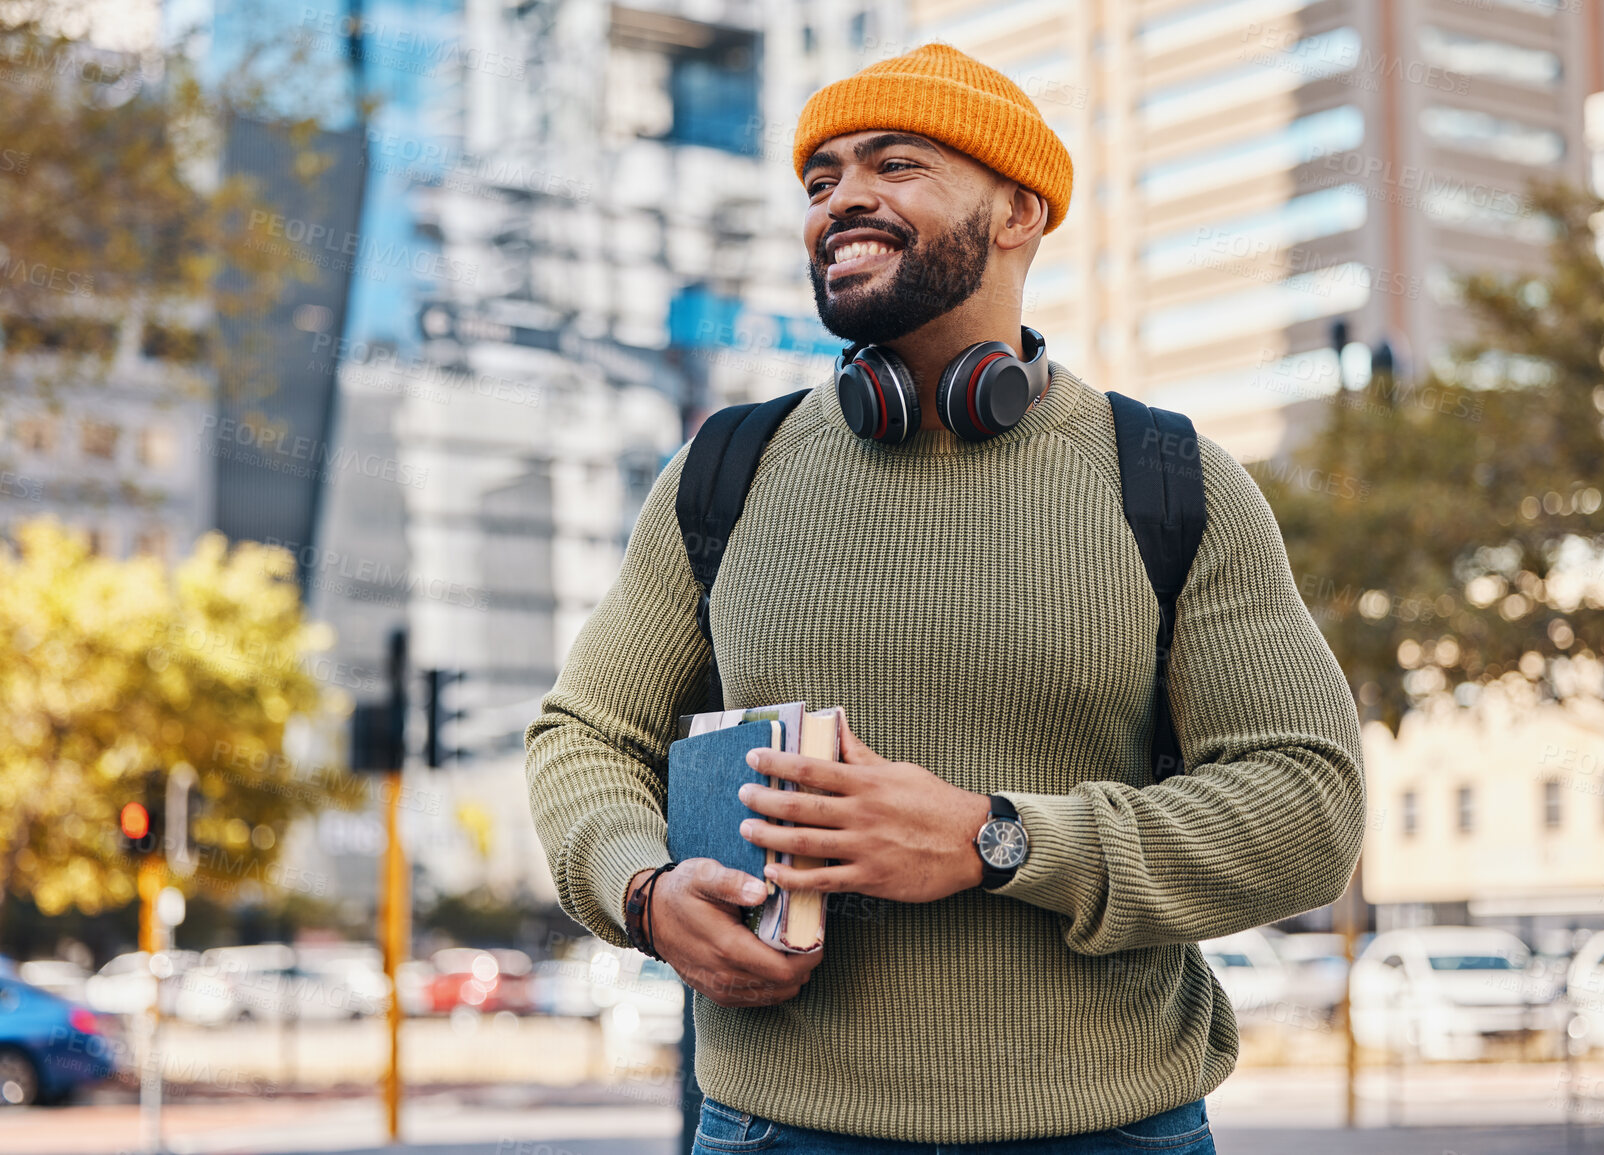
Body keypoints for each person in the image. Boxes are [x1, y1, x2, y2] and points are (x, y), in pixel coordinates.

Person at [525, 42, 1365, 1153]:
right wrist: (639, 889)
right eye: (821, 179)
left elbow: (1308, 804)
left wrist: (997, 840)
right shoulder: (723, 473)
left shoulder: (1169, 481)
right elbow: (582, 735)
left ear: (1020, 212)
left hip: (1110, 1132)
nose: (844, 199)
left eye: (896, 164)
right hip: (774, 1131)